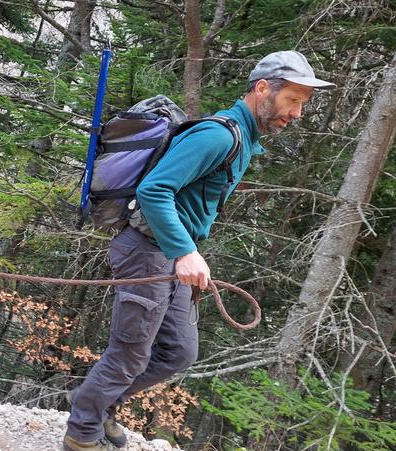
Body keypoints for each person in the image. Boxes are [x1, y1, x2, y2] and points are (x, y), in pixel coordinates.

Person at [63, 51, 335, 451]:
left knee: (178, 353)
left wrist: (182, 253)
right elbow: (154, 191)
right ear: (263, 89)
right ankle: (82, 433)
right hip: (146, 250)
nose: (296, 113)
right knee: (132, 352)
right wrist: (185, 250)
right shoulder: (218, 135)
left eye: (301, 104)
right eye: (292, 100)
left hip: (168, 256)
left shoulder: (243, 138)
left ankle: (96, 404)